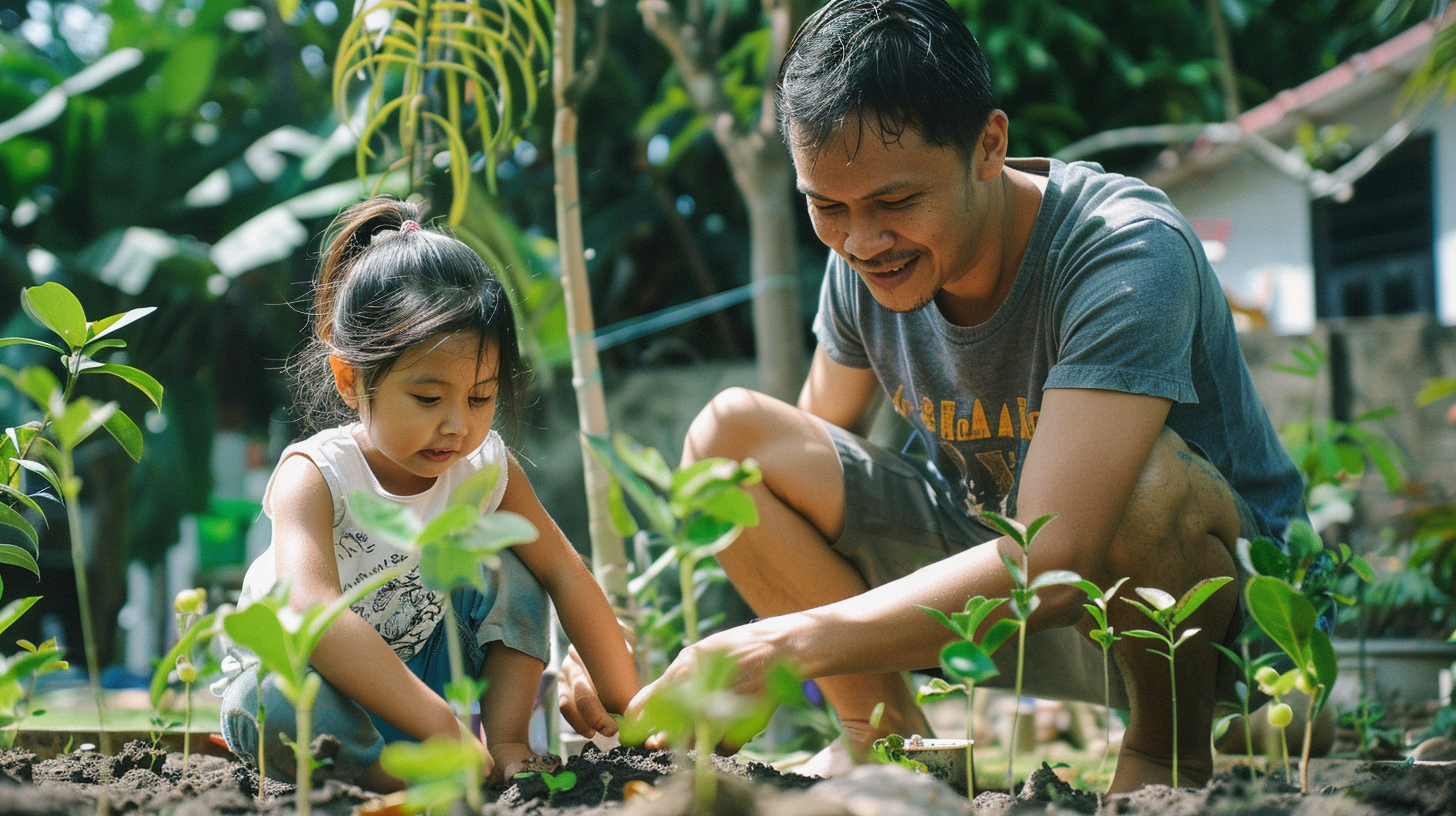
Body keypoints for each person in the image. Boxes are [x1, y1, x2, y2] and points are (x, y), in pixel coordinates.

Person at [559, 0, 1308, 793]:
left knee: (1143, 482)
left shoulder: (1123, 251)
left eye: (893, 202)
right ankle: (888, 749)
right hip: (1000, 603)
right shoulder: (862, 261)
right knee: (731, 441)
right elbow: (794, 490)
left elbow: (1056, 557)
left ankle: (1165, 763)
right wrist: (654, 645)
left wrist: (785, 646)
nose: (861, 242)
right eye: (826, 206)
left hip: (1207, 626)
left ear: (989, 145)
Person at [216, 196, 639, 792]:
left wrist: (637, 706)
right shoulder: (315, 474)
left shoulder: (484, 467)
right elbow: (310, 612)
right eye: (427, 398)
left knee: (518, 561)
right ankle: (400, 776)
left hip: (429, 678)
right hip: (323, 697)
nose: (457, 426)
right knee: (265, 706)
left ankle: (508, 744)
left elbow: (566, 574)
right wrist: (439, 726)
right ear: (351, 378)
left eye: (480, 396)